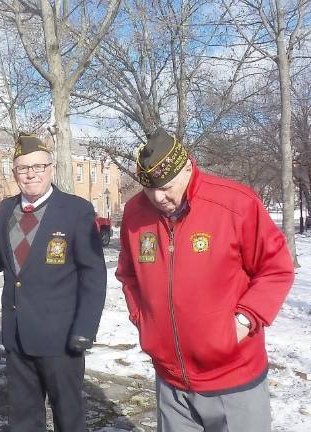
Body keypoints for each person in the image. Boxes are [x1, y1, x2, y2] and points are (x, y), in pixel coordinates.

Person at [116, 128, 294, 431]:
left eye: (167, 186)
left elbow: (276, 268)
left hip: (234, 379)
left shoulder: (235, 205)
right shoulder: (135, 213)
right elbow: (128, 274)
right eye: (150, 189)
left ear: (188, 167)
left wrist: (241, 322)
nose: (159, 197)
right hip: (171, 383)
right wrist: (143, 318)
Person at [0, 135, 107, 432]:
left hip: (61, 339)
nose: (31, 174)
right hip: (17, 336)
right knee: (23, 418)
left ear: (51, 168)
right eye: (23, 168)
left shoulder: (76, 210)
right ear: (15, 172)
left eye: (38, 167)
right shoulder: (6, 209)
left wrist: (85, 329)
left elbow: (93, 275)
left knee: (68, 418)